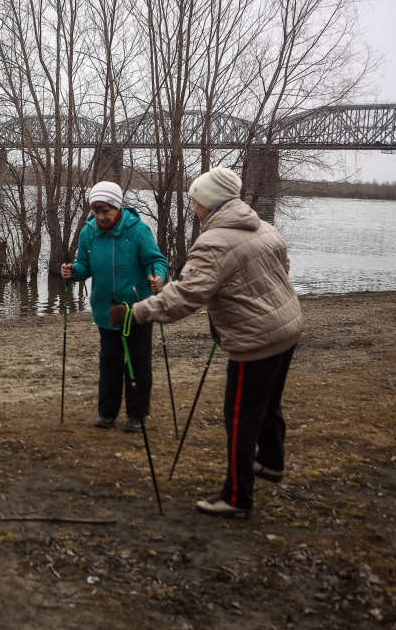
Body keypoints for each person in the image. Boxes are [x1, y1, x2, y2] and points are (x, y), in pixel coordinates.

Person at [111, 166, 303, 520]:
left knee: (240, 419)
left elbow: (185, 297)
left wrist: (134, 313)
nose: (194, 208)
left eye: (196, 201)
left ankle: (236, 497)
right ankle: (272, 462)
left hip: (255, 340)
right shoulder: (264, 227)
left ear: (210, 203)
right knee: (268, 404)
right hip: (287, 327)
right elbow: (281, 270)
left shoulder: (214, 242)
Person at [61, 181, 167, 433]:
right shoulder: (88, 233)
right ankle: (107, 413)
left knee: (137, 361)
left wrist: (158, 276)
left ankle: (137, 415)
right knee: (109, 361)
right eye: (96, 211)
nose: (100, 216)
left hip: (137, 308)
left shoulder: (138, 230)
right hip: (105, 309)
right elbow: (84, 265)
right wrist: (74, 271)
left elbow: (156, 260)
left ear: (117, 207)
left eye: (105, 210)